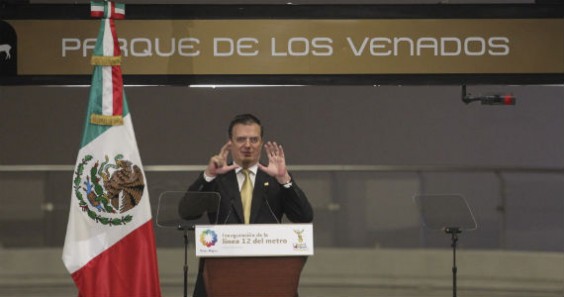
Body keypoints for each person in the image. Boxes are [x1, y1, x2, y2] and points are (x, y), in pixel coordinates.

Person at [187, 113, 314, 296]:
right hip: (221, 275)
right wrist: (208, 176)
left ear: (261, 143)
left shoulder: (275, 177)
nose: (248, 145)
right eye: (241, 139)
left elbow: (304, 216)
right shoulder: (216, 178)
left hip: (269, 274)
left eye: (254, 139)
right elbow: (187, 212)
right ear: (230, 143)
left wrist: (284, 179)